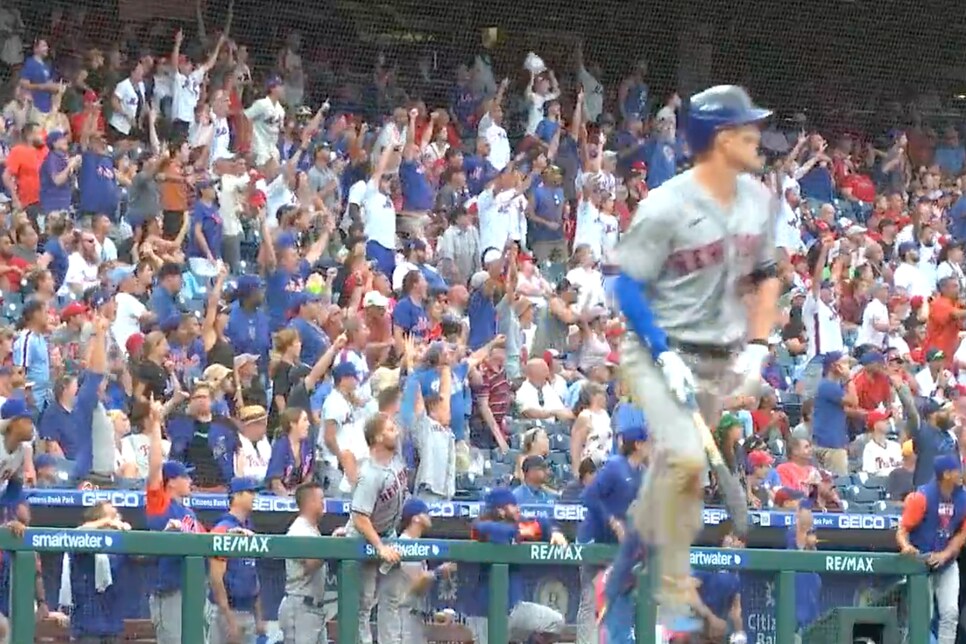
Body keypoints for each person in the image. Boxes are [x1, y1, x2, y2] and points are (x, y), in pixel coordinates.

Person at [615, 85, 777, 624]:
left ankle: (626, 559)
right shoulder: (665, 205)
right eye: (747, 131)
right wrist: (663, 353)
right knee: (686, 459)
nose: (758, 139)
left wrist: (759, 345)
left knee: (679, 471)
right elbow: (627, 288)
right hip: (655, 348)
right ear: (720, 138)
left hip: (716, 358)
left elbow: (766, 278)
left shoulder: (758, 201)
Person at [576, 423, 649, 644]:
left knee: (621, 598)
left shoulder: (641, 473)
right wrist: (612, 521)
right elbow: (588, 497)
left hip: (619, 549)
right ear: (637, 444)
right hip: (595, 539)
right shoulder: (615, 466)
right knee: (591, 600)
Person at [468, 487, 567, 642]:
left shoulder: (516, 523)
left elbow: (543, 523)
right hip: (484, 614)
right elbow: (501, 532)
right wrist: (524, 530)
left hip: (514, 608)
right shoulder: (480, 527)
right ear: (501, 511)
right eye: (513, 506)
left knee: (555, 622)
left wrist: (554, 531)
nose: (518, 509)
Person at [144, 396, 204, 644]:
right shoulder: (160, 503)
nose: (189, 481)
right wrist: (156, 424)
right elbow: (156, 465)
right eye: (185, 477)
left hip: (191, 591)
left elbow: (206, 539)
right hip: (167, 594)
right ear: (172, 482)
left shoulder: (188, 512)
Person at [345, 412, 408, 644]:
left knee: (391, 599)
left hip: (388, 534)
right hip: (365, 538)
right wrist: (380, 547)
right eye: (391, 430)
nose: (397, 432)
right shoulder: (369, 475)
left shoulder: (396, 460)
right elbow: (360, 516)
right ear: (379, 438)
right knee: (363, 604)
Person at [896, 454, 966, 644]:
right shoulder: (922, 497)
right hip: (922, 564)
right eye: (957, 470)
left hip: (947, 563)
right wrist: (906, 547)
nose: (961, 473)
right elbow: (902, 530)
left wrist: (946, 554)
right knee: (921, 618)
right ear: (947, 474)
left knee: (950, 613)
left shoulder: (963, 497)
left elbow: (962, 534)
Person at [380, 498, 456, 644]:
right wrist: (439, 572)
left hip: (409, 616)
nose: (430, 517)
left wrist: (435, 615)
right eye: (426, 513)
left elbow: (415, 592)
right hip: (398, 620)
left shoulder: (414, 544)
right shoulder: (404, 544)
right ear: (415, 518)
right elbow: (416, 585)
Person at [206, 477, 266, 644]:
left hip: (247, 611)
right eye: (251, 492)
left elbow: (253, 575)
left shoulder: (249, 528)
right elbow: (216, 578)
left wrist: (259, 616)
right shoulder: (223, 528)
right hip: (227, 611)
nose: (255, 496)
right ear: (237, 495)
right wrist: (229, 618)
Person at [278, 481, 327, 644]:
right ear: (310, 503)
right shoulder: (299, 530)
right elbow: (312, 563)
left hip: (311, 609)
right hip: (301, 607)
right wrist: (334, 545)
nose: (323, 503)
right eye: (321, 499)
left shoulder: (311, 529)